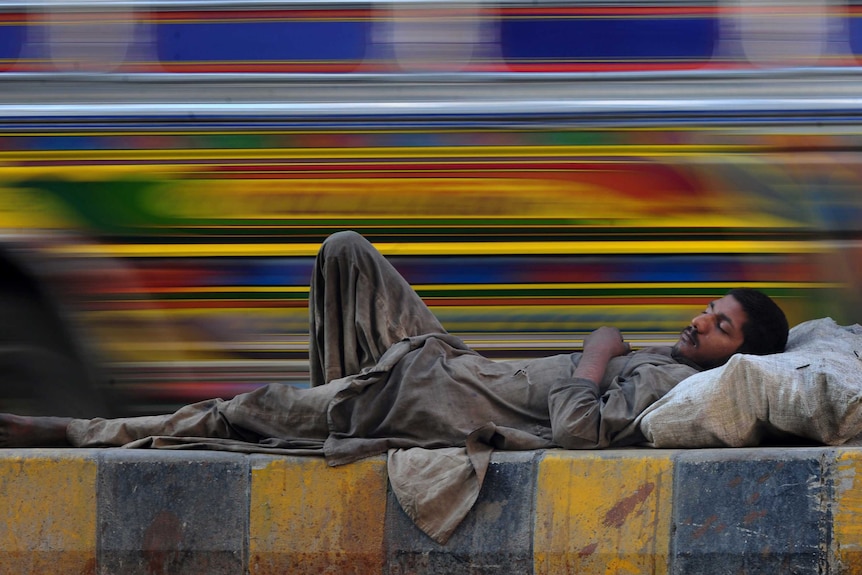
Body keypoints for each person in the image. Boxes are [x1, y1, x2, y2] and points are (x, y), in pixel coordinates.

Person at [0, 230, 789, 458]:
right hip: (439, 360)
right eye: (706, 309)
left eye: (718, 325)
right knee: (346, 251)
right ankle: (336, 408)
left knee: (239, 412)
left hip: (430, 396)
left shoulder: (670, 391)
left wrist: (595, 348)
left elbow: (579, 431)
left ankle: (66, 431)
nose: (698, 321)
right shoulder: (667, 360)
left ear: (736, 356)